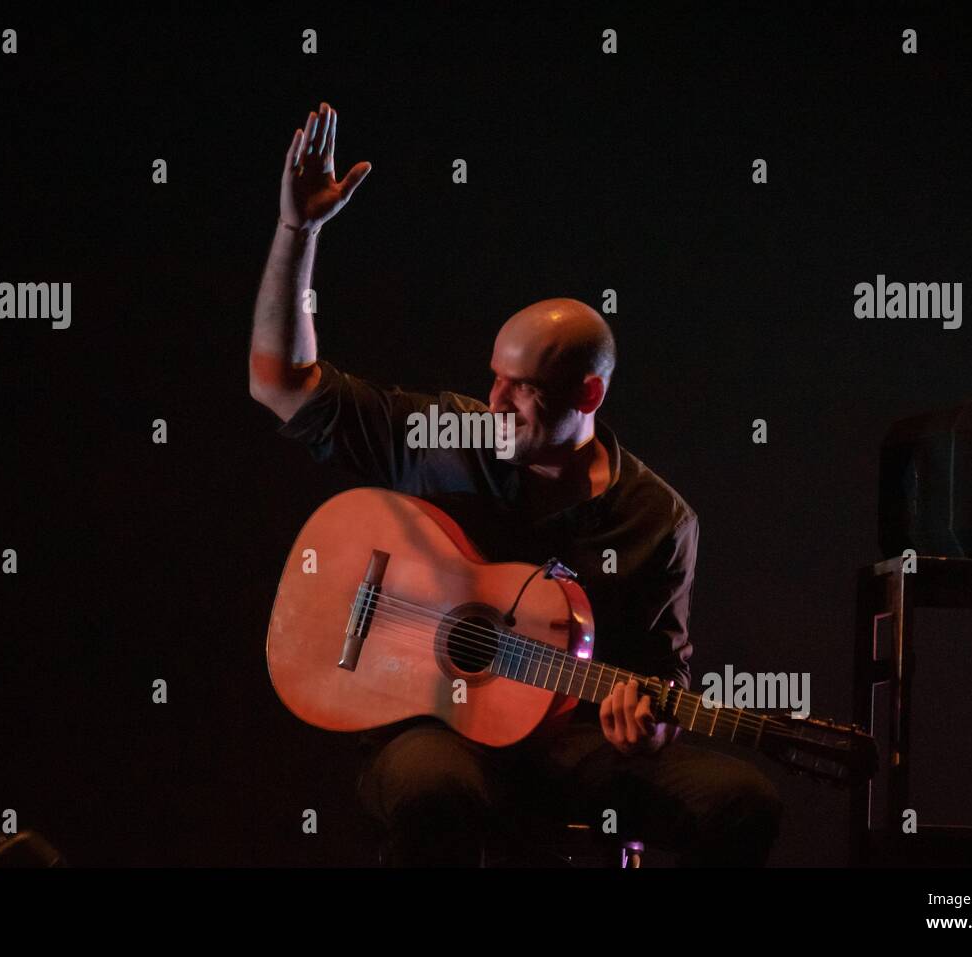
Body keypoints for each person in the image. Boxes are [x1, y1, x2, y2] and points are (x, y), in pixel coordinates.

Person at [250, 102, 783, 866]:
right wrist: (298, 233)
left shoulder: (657, 519)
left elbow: (660, 680)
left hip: (571, 745)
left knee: (741, 801)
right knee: (437, 789)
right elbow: (279, 382)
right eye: (493, 379)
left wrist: (651, 719)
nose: (494, 402)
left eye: (521, 388)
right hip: (432, 726)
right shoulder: (454, 435)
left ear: (589, 397)